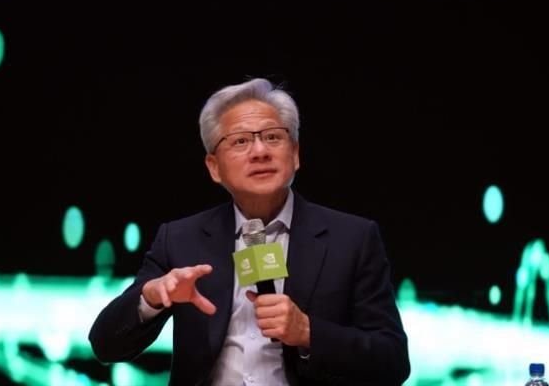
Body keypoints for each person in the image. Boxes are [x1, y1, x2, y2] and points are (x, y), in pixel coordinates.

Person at [88, 78, 410, 385]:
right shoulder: (180, 240)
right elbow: (104, 345)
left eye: (272, 137)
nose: (259, 151)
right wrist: (151, 298)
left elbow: (393, 362)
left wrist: (308, 332)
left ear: (295, 154)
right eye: (241, 141)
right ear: (214, 167)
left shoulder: (352, 239)